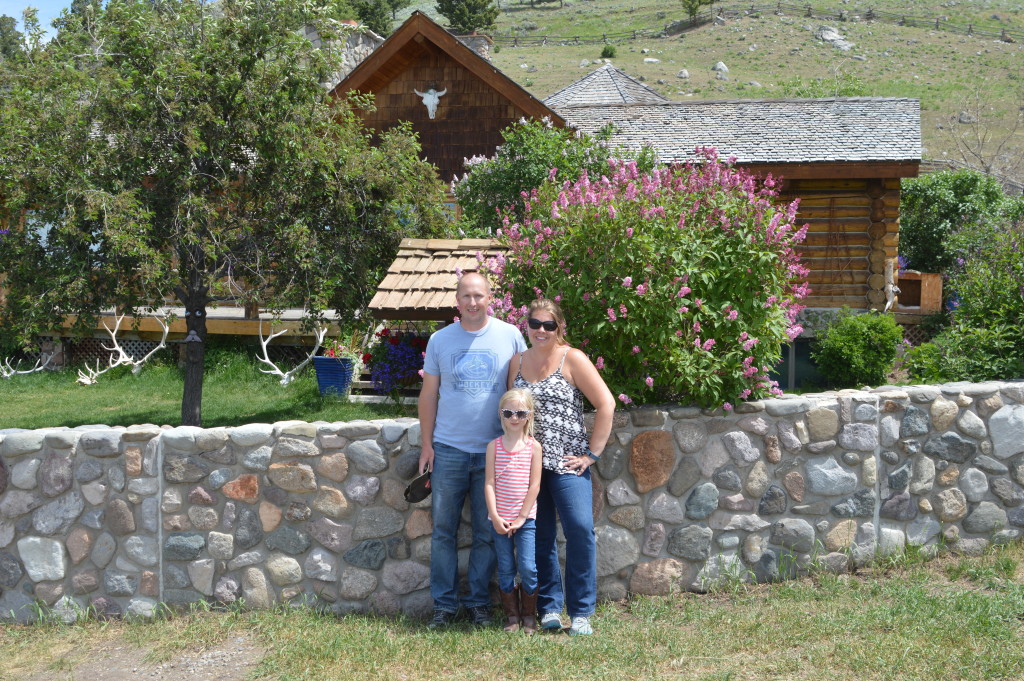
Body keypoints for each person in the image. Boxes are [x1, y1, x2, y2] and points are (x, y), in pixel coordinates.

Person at [418, 271, 528, 629]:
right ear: (457, 300)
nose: (472, 302)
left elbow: (520, 394)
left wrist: (520, 444)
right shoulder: (439, 340)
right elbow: (429, 394)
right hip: (448, 449)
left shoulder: (510, 336)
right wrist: (426, 445)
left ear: (490, 297)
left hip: (494, 453)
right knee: (443, 532)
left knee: (487, 533)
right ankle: (444, 606)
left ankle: (479, 602)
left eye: (479, 295)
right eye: (466, 296)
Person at [509, 298, 615, 637]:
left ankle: (582, 612)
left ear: (559, 328)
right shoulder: (517, 362)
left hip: (568, 463)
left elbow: (606, 404)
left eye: (549, 325)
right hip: (528, 466)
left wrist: (592, 454)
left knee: (581, 530)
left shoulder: (573, 359)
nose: (541, 330)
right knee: (539, 537)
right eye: (535, 323)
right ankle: (550, 608)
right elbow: (508, 410)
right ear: (526, 325)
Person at [484, 389, 543, 634]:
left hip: (525, 519)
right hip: (499, 521)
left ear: (529, 415)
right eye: (509, 413)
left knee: (528, 566)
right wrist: (496, 517)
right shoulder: (494, 447)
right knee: (506, 566)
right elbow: (489, 483)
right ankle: (512, 616)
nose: (514, 418)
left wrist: (521, 517)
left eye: (520, 413)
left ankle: (529, 615)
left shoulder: (533, 447)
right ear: (501, 414)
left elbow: (535, 485)